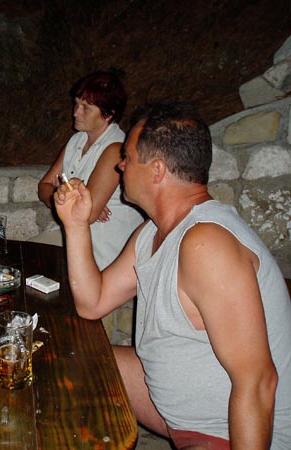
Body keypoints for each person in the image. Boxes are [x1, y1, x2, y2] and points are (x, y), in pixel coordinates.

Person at [54, 101, 291, 449]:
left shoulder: (206, 244)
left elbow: (258, 382)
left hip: (227, 434)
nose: (120, 165)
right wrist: (76, 225)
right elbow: (93, 302)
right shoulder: (154, 232)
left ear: (157, 170)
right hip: (183, 413)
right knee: (78, 356)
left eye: (128, 157)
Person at [30, 71, 144, 270]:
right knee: (24, 258)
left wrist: (65, 198)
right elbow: (43, 187)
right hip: (72, 236)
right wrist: (69, 198)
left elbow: (86, 214)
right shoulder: (77, 140)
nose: (76, 113)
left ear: (108, 114)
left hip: (105, 250)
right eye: (76, 104)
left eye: (86, 108)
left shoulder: (116, 149)